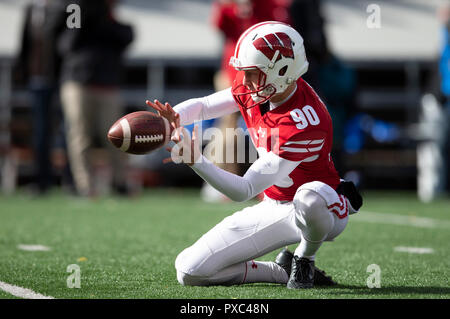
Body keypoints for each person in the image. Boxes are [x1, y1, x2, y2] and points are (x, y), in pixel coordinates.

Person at [147, 21, 362, 289]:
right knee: (190, 271)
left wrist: (196, 160)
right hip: (274, 204)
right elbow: (204, 107)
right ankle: (279, 271)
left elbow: (244, 189)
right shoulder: (264, 86)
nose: (245, 81)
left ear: (282, 71)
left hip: (320, 206)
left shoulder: (303, 121)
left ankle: (305, 258)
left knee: (309, 198)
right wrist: (172, 120)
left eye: (253, 73)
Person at [58, 0, 134, 197]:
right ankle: (85, 186)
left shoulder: (112, 21)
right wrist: (84, 13)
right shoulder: (75, 11)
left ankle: (119, 182)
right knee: (79, 136)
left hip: (107, 85)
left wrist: (103, 20)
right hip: (78, 82)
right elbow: (68, 42)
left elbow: (126, 37)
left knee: (118, 136)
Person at [15, 0, 67, 194]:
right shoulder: (30, 10)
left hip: (60, 79)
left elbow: (70, 38)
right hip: (37, 79)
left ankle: (69, 181)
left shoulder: (66, 9)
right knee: (40, 131)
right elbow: (25, 43)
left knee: (66, 131)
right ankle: (42, 181)